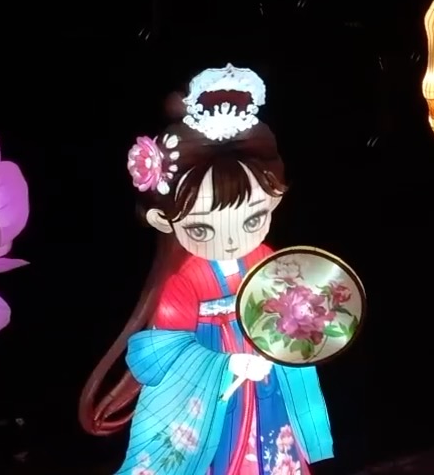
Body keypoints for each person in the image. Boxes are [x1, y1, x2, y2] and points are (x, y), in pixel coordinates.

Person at [83, 65, 336, 475]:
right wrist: (228, 365)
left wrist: (298, 334)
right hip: (212, 394)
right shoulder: (184, 281)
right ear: (164, 221)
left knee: (275, 452)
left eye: (253, 218)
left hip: (268, 382)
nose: (233, 239)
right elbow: (165, 350)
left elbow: (297, 308)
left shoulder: (265, 257)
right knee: (218, 455)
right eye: (202, 227)